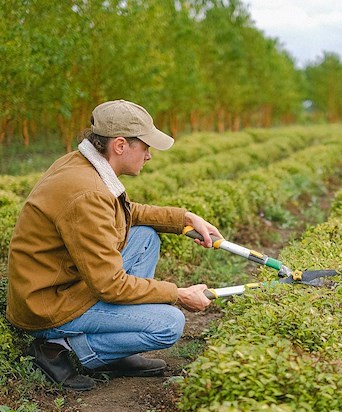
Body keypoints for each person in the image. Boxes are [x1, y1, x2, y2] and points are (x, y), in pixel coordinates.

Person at [7, 99, 222, 390]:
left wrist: (183, 218)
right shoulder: (87, 193)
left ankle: (114, 347)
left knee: (145, 236)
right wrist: (178, 294)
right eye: (145, 147)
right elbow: (110, 285)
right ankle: (60, 347)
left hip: (64, 281)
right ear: (120, 146)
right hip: (49, 304)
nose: (149, 156)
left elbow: (127, 212)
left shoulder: (82, 164)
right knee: (169, 323)